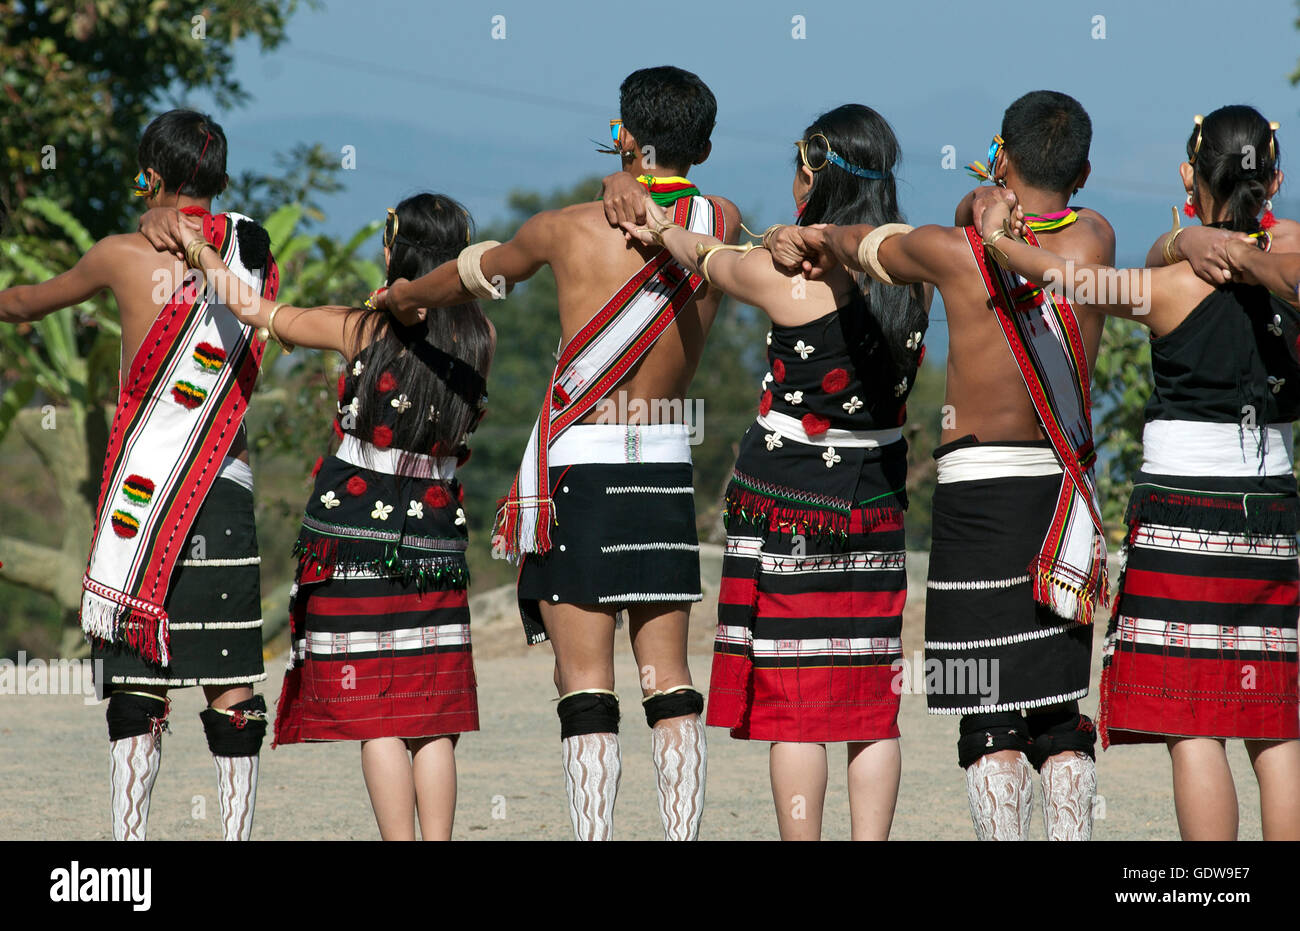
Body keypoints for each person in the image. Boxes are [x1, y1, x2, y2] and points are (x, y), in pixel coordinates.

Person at [373, 66, 740, 840]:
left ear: (624, 135)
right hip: (666, 457)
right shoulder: (723, 221)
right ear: (704, 145)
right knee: (669, 680)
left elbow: (473, 275)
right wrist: (631, 172)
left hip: (581, 464)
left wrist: (402, 299)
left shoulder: (565, 227)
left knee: (584, 684)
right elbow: (668, 201)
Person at [768, 91, 1114, 840]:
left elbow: (862, 244)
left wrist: (979, 199)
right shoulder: (1095, 240)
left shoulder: (949, 249)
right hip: (1062, 494)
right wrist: (994, 193)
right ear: (1083, 172)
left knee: (987, 709)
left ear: (1000, 156)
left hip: (978, 496)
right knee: (1057, 706)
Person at [976, 105, 1300, 841]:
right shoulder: (1287, 257)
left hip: (1182, 512)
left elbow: (1069, 278)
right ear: (1275, 177)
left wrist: (997, 237)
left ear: (1188, 176)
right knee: (1275, 719)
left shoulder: (1166, 290)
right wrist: (1199, 241)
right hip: (1272, 511)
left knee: (1196, 722)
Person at [620, 104, 929, 840]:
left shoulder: (784, 274)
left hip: (792, 505)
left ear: (814, 174)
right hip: (876, 502)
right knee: (868, 700)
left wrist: (657, 228)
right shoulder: (912, 277)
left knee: (797, 702)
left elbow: (707, 257)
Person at [143, 193, 494, 840]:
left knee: (381, 717)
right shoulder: (481, 336)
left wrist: (197, 251)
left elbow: (254, 311)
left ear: (401, 253)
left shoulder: (362, 327)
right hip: (436, 531)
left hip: (352, 532)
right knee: (431, 712)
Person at [0, 109, 278, 840]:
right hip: (226, 485)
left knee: (135, 680)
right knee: (231, 679)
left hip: (143, 495)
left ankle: (131, 847)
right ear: (218, 180)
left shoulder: (119, 255)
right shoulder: (250, 250)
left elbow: (24, 302)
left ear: (150, 174)